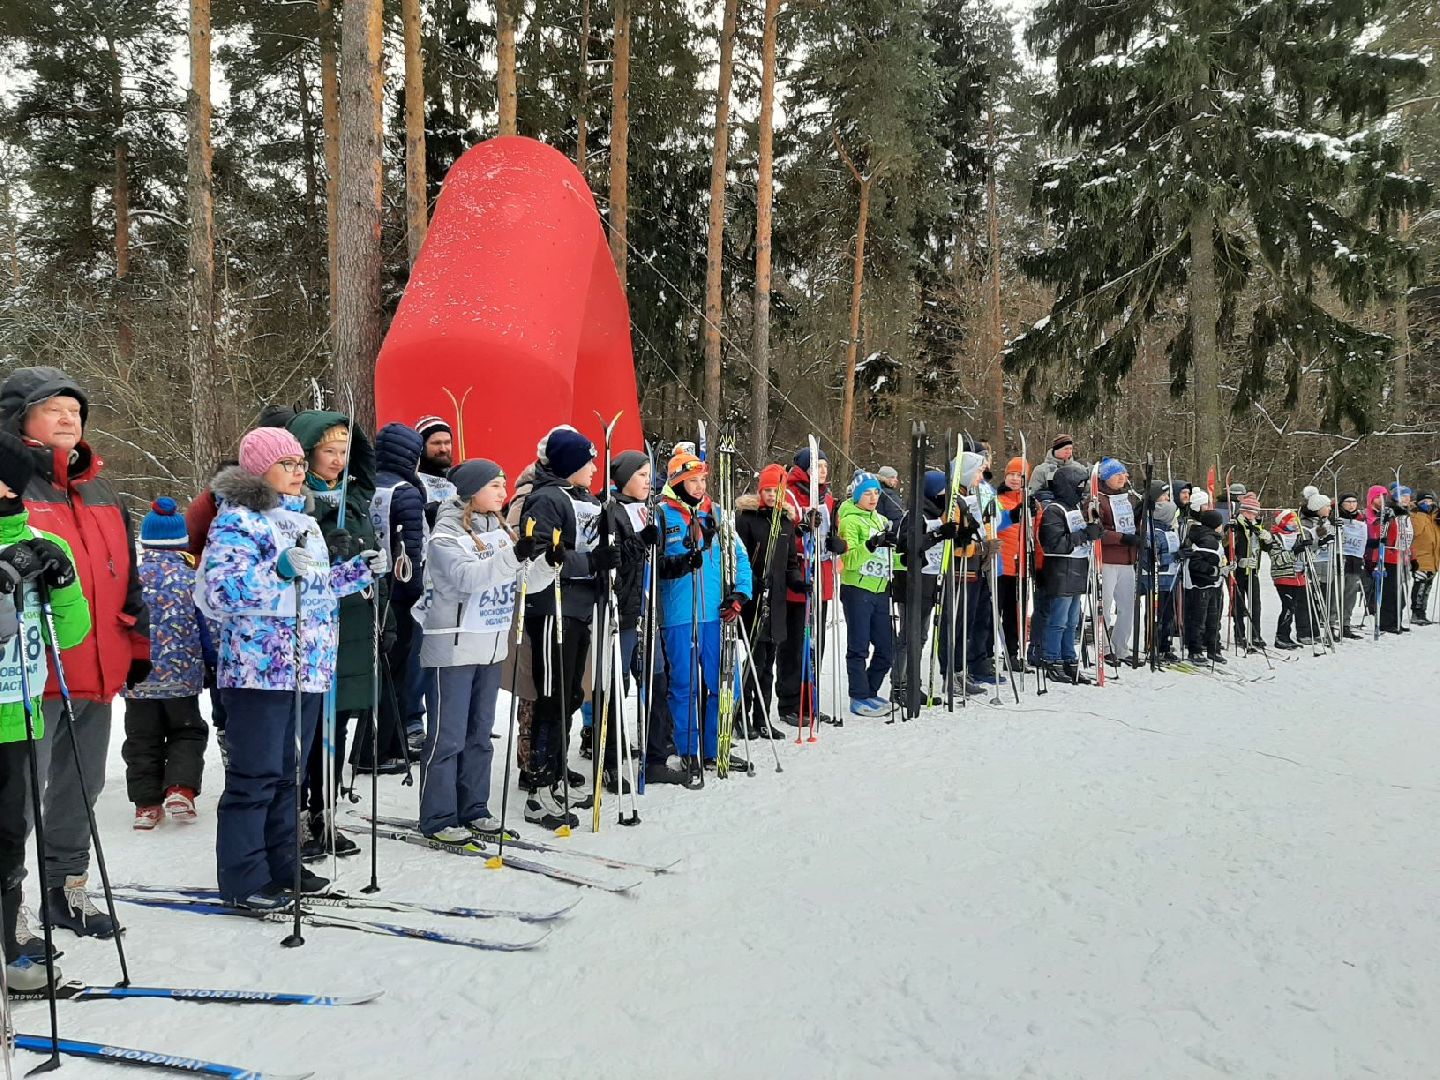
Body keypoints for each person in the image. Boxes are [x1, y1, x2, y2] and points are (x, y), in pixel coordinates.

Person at [0, 366, 150, 940]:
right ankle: (10, 906)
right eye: (53, 408)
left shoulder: (103, 491)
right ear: (20, 419)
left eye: (75, 410)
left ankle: (66, 890)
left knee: (81, 790)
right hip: (28, 676)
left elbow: (128, 581)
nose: (69, 418)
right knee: (16, 802)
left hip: (95, 667)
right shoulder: (10, 485)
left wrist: (137, 644)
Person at [200, 427, 373, 907]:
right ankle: (244, 879)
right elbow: (221, 592)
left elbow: (315, 588)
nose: (299, 472)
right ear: (260, 470)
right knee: (255, 777)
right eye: (287, 464)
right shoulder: (237, 521)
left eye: (300, 463)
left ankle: (283, 864)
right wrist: (277, 571)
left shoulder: (305, 523)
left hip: (309, 666)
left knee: (287, 777)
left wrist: (357, 571)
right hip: (259, 669)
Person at [414, 459, 556, 847]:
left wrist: (547, 563)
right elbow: (467, 578)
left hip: (490, 646)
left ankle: (474, 808)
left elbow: (522, 581)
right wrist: (513, 556)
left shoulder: (500, 530)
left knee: (480, 735)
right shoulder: (444, 535)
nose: (502, 492)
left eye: (504, 484)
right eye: (494, 485)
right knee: (448, 738)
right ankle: (438, 815)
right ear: (471, 491)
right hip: (453, 648)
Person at [0, 431, 90, 991]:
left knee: (11, 832)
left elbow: (73, 633)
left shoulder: (41, 539)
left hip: (20, 710)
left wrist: (64, 581)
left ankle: (10, 941)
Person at [288, 410, 383, 862]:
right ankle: (298, 815)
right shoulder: (298, 499)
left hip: (355, 623)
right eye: (329, 450)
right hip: (313, 626)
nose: (339, 460)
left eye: (344, 451)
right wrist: (327, 548)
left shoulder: (353, 494)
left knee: (338, 722)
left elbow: (366, 463)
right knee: (307, 727)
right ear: (307, 453)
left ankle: (326, 811)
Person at [517, 425, 614, 825]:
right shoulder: (545, 499)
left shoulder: (585, 498)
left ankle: (555, 773)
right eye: (588, 462)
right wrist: (589, 562)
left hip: (580, 607)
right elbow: (540, 554)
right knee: (552, 696)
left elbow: (596, 544)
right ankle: (538, 788)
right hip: (551, 607)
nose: (594, 469)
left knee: (571, 694)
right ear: (570, 464)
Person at [655, 450, 752, 771]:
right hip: (679, 615)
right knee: (685, 686)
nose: (699, 487)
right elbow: (654, 566)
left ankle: (715, 748)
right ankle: (688, 750)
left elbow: (740, 556)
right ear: (676, 483)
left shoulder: (717, 513)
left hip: (714, 614)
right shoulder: (661, 515)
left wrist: (740, 593)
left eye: (702, 480)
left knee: (725, 682)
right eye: (692, 481)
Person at [122, 498, 208, 830]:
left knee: (141, 739)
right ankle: (180, 788)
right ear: (182, 542)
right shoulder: (192, 579)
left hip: (137, 677)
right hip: (181, 679)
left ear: (145, 543)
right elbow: (208, 626)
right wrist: (212, 663)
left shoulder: (129, 580)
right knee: (186, 731)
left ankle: (146, 804)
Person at [776, 446, 846, 725]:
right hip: (798, 578)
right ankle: (789, 702)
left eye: (825, 467)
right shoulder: (789, 493)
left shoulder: (827, 497)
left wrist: (838, 544)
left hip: (821, 577)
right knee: (794, 645)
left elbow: (833, 532)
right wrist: (802, 529)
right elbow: (782, 533)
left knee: (817, 643)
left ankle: (810, 699)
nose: (823, 471)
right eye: (817, 467)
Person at [372, 422, 429, 758]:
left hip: (373, 588)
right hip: (401, 591)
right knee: (399, 670)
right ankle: (386, 747)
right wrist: (418, 592)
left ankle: (380, 744)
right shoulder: (405, 490)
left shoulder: (368, 483)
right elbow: (412, 548)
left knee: (382, 670)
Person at [736, 464, 801, 738]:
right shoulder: (747, 518)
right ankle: (741, 715)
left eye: (777, 490)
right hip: (754, 600)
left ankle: (763, 717)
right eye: (768, 490)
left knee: (768, 665)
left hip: (777, 602)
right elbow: (738, 557)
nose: (772, 495)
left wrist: (797, 581)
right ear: (760, 491)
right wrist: (752, 581)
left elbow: (790, 562)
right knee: (755, 661)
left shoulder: (785, 522)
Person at [891, 469, 962, 699]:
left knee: (921, 636)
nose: (945, 497)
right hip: (912, 582)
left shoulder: (939, 515)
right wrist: (938, 535)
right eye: (942, 493)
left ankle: (913, 682)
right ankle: (899, 685)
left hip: (930, 581)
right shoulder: (915, 515)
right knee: (909, 635)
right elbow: (909, 546)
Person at [836, 473, 896, 717]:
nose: (873, 498)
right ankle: (858, 696)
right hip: (857, 589)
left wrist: (910, 557)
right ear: (857, 495)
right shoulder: (849, 520)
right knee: (859, 646)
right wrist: (872, 544)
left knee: (887, 647)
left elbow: (889, 558)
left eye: (876, 493)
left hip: (880, 589)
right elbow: (849, 560)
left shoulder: (882, 520)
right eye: (867, 493)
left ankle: (869, 690)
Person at [1037, 462, 1100, 684]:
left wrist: (1094, 529)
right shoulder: (1054, 510)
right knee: (1059, 620)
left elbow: (1083, 534)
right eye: (1079, 486)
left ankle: (1069, 660)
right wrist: (1084, 534)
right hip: (1060, 571)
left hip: (1076, 569)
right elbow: (1054, 544)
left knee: (1072, 621)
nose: (1082, 490)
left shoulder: (1075, 509)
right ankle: (1051, 659)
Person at [1094, 458, 1141, 665]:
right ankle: (1104, 648)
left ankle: (1121, 647)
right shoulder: (1097, 499)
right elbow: (1097, 531)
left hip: (1127, 560)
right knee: (1104, 605)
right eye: (1116, 474)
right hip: (1107, 560)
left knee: (1128, 606)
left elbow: (1133, 524)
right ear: (1105, 477)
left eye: (1123, 474)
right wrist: (1121, 538)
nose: (1122, 478)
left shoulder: (1128, 498)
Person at [1139, 484, 1181, 662]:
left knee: (1168, 615)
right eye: (1164, 496)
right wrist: (1173, 557)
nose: (1168, 500)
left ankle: (1165, 646)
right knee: (1157, 614)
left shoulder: (1169, 529)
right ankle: (1153, 645)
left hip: (1170, 580)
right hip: (1155, 580)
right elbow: (1150, 559)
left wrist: (1181, 555)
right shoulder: (1151, 530)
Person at [995, 458, 1029, 672]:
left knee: (1015, 614)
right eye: (1012, 475)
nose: (1015, 479)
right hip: (1000, 566)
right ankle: (986, 654)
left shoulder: (1030, 502)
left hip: (1021, 567)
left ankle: (1013, 653)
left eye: (1020, 476)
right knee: (994, 613)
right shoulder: (997, 500)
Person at [1181, 508, 1227, 662]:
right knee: (1199, 619)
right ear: (1215, 525)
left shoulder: (1213, 538)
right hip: (1201, 585)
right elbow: (1195, 563)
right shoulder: (1208, 540)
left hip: (1213, 584)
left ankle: (1214, 648)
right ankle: (1195, 650)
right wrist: (1213, 570)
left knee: (1214, 618)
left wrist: (1223, 568)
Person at [1227, 492, 1268, 650]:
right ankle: (1240, 634)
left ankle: (1256, 634)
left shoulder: (1256, 526)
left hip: (1253, 570)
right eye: (1250, 512)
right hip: (1238, 572)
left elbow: (1265, 548)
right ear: (1244, 511)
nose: (1253, 516)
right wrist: (1239, 561)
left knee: (1256, 604)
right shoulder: (1235, 526)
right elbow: (1227, 548)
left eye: (1255, 512)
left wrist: (1268, 540)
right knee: (1239, 604)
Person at [1269, 508, 1312, 649]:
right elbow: (1277, 559)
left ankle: (1287, 636)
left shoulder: (1299, 536)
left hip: (1299, 577)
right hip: (1284, 577)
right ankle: (1281, 636)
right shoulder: (1276, 538)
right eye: (1290, 522)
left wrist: (1310, 548)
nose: (1294, 524)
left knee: (1295, 607)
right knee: (1288, 607)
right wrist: (1295, 552)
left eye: (1295, 521)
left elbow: (1309, 556)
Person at [1298, 486, 1337, 641]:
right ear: (1318, 508)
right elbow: (1307, 543)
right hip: (1310, 566)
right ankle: (1305, 632)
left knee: (1322, 600)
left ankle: (1317, 631)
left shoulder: (1327, 521)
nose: (1330, 508)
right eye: (1327, 506)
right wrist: (1321, 540)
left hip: (1325, 565)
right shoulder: (1306, 523)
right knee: (1309, 600)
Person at [1366, 484, 1405, 634]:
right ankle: (1386, 622)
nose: (1381, 499)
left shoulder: (1390, 512)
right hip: (1380, 556)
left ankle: (1396, 620)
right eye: (1377, 497)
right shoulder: (1370, 514)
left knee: (1397, 591)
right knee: (1387, 591)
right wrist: (1383, 520)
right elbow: (1374, 532)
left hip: (1395, 555)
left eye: (1383, 496)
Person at [1337, 492, 1369, 637]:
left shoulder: (1360, 519)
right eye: (1348, 502)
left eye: (1354, 502)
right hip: (1340, 559)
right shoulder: (1336, 517)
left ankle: (1345, 623)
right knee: (1337, 592)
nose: (1351, 505)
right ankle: (1332, 623)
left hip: (1355, 561)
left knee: (1350, 594)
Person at [414, 416, 458, 508]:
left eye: (447, 442)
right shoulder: (413, 481)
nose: (443, 449)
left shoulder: (458, 479)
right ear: (422, 447)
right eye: (437, 443)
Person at [1410, 491, 1438, 625]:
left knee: (1427, 586)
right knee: (1420, 584)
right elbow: (1416, 531)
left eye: (1430, 501)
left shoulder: (1434, 517)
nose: (1428, 504)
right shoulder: (1415, 516)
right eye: (1424, 502)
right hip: (1420, 556)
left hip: (1433, 557)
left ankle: (1423, 611)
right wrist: (1420, 513)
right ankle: (1416, 612)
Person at [1027, 433, 1082, 499]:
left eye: (1071, 449)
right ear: (1056, 449)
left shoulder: (1078, 468)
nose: (1069, 451)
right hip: (1049, 504)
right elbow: (1032, 494)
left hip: (1075, 504)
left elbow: (1087, 491)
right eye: (1066, 449)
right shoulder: (1041, 470)